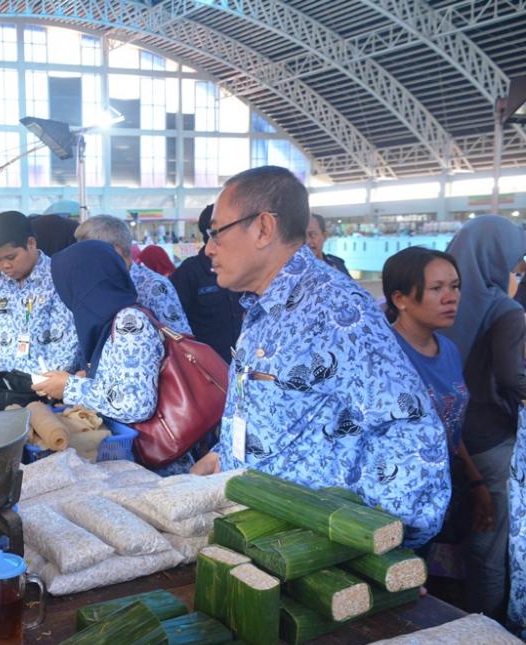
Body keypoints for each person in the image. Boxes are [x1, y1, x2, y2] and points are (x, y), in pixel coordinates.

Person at [192, 166, 449, 548]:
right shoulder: (265, 307)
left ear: (263, 228)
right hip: (264, 533)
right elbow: (287, 412)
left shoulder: (334, 310)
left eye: (216, 232)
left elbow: (411, 432)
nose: (208, 248)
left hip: (315, 550)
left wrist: (381, 551)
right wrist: (224, 454)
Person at [383, 246, 493, 578]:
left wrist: (476, 483)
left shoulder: (449, 350)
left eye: (455, 286)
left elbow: (449, 425)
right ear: (401, 299)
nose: (451, 297)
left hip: (443, 491)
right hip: (396, 504)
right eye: (437, 288)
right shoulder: (385, 357)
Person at [440, 215, 526, 619]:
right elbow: (513, 377)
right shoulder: (504, 310)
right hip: (490, 439)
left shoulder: (436, 302)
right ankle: (485, 630)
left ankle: (445, 613)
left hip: (445, 436)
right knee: (487, 543)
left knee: (450, 529)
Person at [32, 241, 163, 423]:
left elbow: (136, 404)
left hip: (144, 447)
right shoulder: (106, 322)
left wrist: (70, 387)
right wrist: (88, 378)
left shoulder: (129, 322)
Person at [0, 211, 79, 376]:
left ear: (31, 244)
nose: (5, 265)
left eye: (11, 257)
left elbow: (67, 349)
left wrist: (41, 387)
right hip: (9, 390)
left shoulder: (58, 280)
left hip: (50, 393)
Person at [75, 214, 191, 335]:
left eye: (88, 252)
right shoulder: (94, 283)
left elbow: (180, 337)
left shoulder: (154, 286)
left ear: (115, 251)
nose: (84, 260)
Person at [169, 205, 244, 363]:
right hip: (206, 367)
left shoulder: (240, 267)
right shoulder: (189, 272)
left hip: (240, 361)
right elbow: (172, 322)